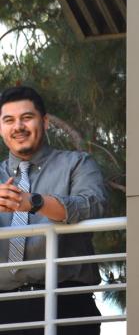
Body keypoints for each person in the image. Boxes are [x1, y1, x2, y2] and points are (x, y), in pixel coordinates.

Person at [0, 86, 107, 334]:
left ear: (45, 122)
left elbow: (93, 205)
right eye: (9, 120)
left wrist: (35, 202)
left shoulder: (77, 163)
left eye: (27, 117)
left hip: (67, 303)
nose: (18, 126)